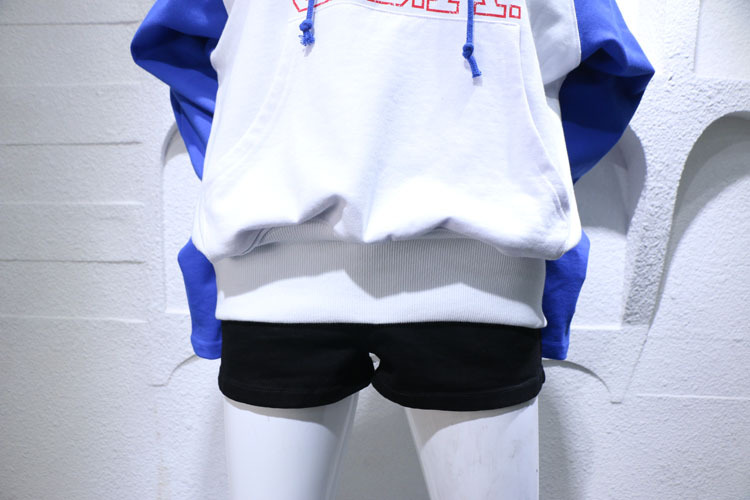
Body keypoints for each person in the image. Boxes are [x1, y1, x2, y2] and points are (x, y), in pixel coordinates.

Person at [131, 0, 654, 498]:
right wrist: (248, 163)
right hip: (274, 280)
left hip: (481, 280)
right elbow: (181, 42)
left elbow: (608, 62)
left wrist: (524, 174)